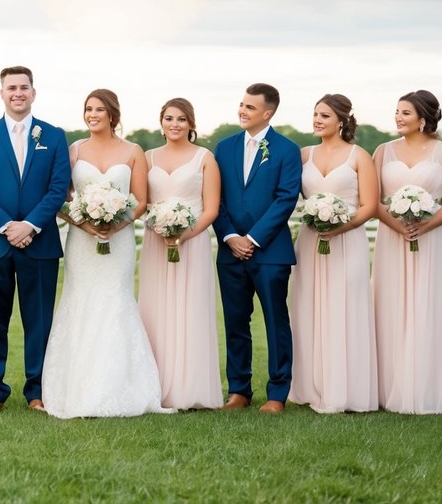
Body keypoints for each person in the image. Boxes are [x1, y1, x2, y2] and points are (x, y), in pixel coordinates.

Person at [42, 89, 168, 418]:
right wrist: (84, 224)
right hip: (82, 242)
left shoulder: (133, 151)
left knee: (115, 303)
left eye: (99, 109)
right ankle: (78, 390)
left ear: (113, 114)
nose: (92, 114)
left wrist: (115, 224)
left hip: (120, 241)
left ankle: (117, 389)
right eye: (88, 109)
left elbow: (140, 200)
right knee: (80, 302)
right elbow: (61, 196)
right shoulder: (73, 150)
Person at [0, 66, 71, 412]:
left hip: (39, 244)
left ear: (33, 93)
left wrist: (30, 226)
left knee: (39, 322)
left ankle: (37, 392)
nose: (18, 93)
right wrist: (8, 227)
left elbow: (58, 188)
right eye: (11, 87)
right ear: (1, 93)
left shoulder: (53, 136)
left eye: (24, 87)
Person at [373, 89, 442, 414]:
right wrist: (397, 225)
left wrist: (425, 226)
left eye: (405, 113)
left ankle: (428, 389)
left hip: (431, 239)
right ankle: (388, 389)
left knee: (427, 305)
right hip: (391, 238)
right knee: (391, 304)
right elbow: (372, 200)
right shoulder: (383, 151)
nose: (398, 117)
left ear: (423, 119)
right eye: (397, 111)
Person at [213, 83, 301, 414]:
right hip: (229, 250)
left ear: (268, 113)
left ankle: (277, 394)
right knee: (236, 322)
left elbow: (286, 198)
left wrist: (254, 239)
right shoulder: (224, 148)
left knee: (276, 322)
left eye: (250, 107)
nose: (242, 110)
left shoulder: (287, 149)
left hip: (271, 252)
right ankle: (239, 391)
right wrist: (231, 236)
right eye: (241, 104)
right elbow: (215, 198)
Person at [289, 94, 378, 413]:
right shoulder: (303, 155)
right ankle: (310, 386)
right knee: (308, 308)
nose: (317, 120)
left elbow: (369, 205)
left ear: (342, 121)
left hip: (347, 242)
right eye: (315, 114)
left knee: (344, 308)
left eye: (324, 115)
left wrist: (339, 227)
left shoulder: (359, 156)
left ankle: (346, 389)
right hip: (311, 242)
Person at [138, 98, 223, 410]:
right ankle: (153, 387)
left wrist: (182, 235)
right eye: (169, 118)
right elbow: (142, 203)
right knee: (155, 310)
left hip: (193, 243)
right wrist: (160, 228)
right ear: (162, 122)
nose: (175, 124)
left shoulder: (205, 158)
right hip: (156, 242)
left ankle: (191, 388)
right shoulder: (147, 157)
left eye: (182, 119)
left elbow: (211, 208)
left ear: (191, 124)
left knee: (191, 309)